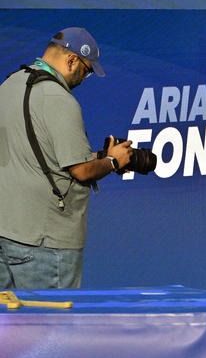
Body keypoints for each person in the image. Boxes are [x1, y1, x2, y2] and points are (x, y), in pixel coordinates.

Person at [0, 28, 133, 289]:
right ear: (72, 60)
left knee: (7, 317)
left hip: (5, 233)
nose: (84, 78)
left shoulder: (9, 85)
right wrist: (113, 161)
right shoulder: (60, 100)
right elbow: (81, 171)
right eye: (86, 70)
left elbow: (34, 152)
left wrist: (100, 156)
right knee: (51, 317)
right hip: (46, 244)